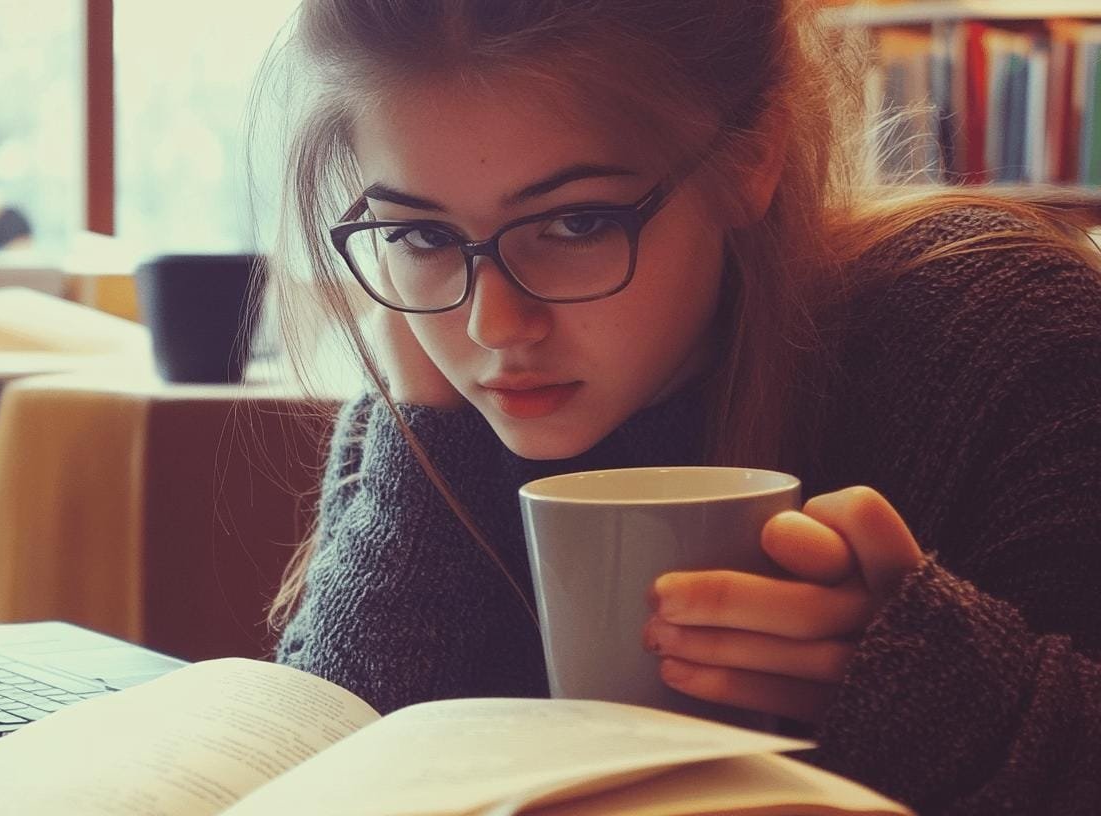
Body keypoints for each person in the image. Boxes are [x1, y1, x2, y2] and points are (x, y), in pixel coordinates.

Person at [258, 1, 1101, 813]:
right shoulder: (425, 379)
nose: (494, 325)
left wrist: (957, 706)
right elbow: (325, 761)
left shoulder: (1000, 340)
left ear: (751, 157)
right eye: (421, 235)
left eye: (576, 222)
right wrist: (425, 444)